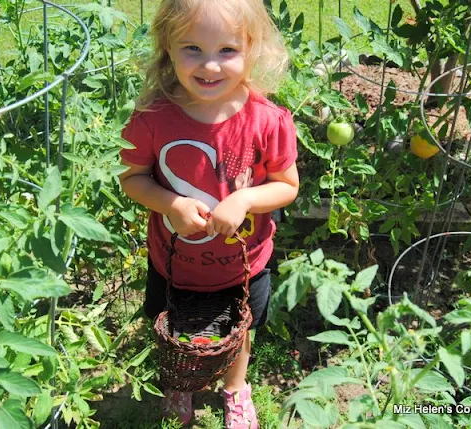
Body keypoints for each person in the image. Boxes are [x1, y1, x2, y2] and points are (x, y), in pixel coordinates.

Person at [118, 0, 299, 426]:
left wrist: (245, 199)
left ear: (252, 49)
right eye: (192, 49)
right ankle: (180, 386)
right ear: (167, 46)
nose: (210, 66)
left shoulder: (267, 120)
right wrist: (171, 203)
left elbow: (287, 186)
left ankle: (236, 389)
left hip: (244, 264)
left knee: (239, 332)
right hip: (174, 262)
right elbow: (132, 178)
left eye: (227, 50)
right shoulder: (152, 119)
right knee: (174, 329)